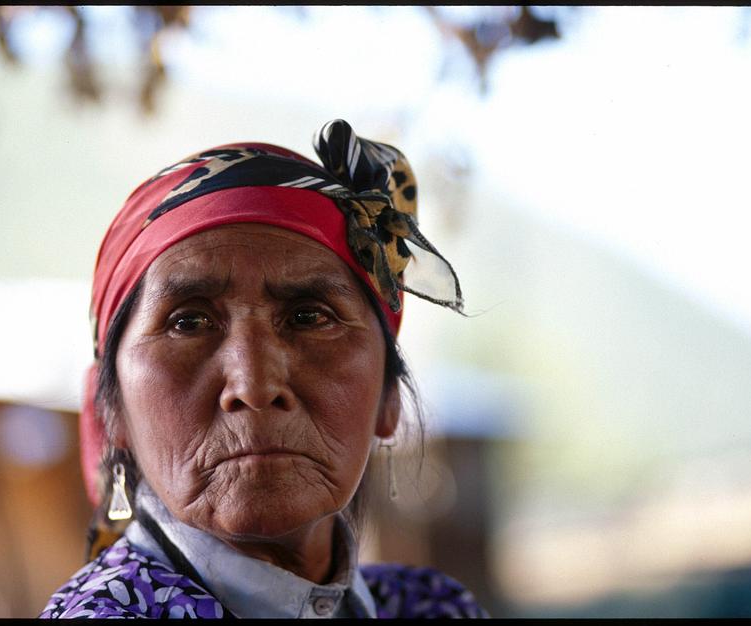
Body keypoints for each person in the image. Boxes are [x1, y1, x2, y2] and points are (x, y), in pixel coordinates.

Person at [40, 119, 484, 619]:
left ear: (388, 398)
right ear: (112, 409)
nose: (254, 385)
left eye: (309, 317)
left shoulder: (429, 608)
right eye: (188, 322)